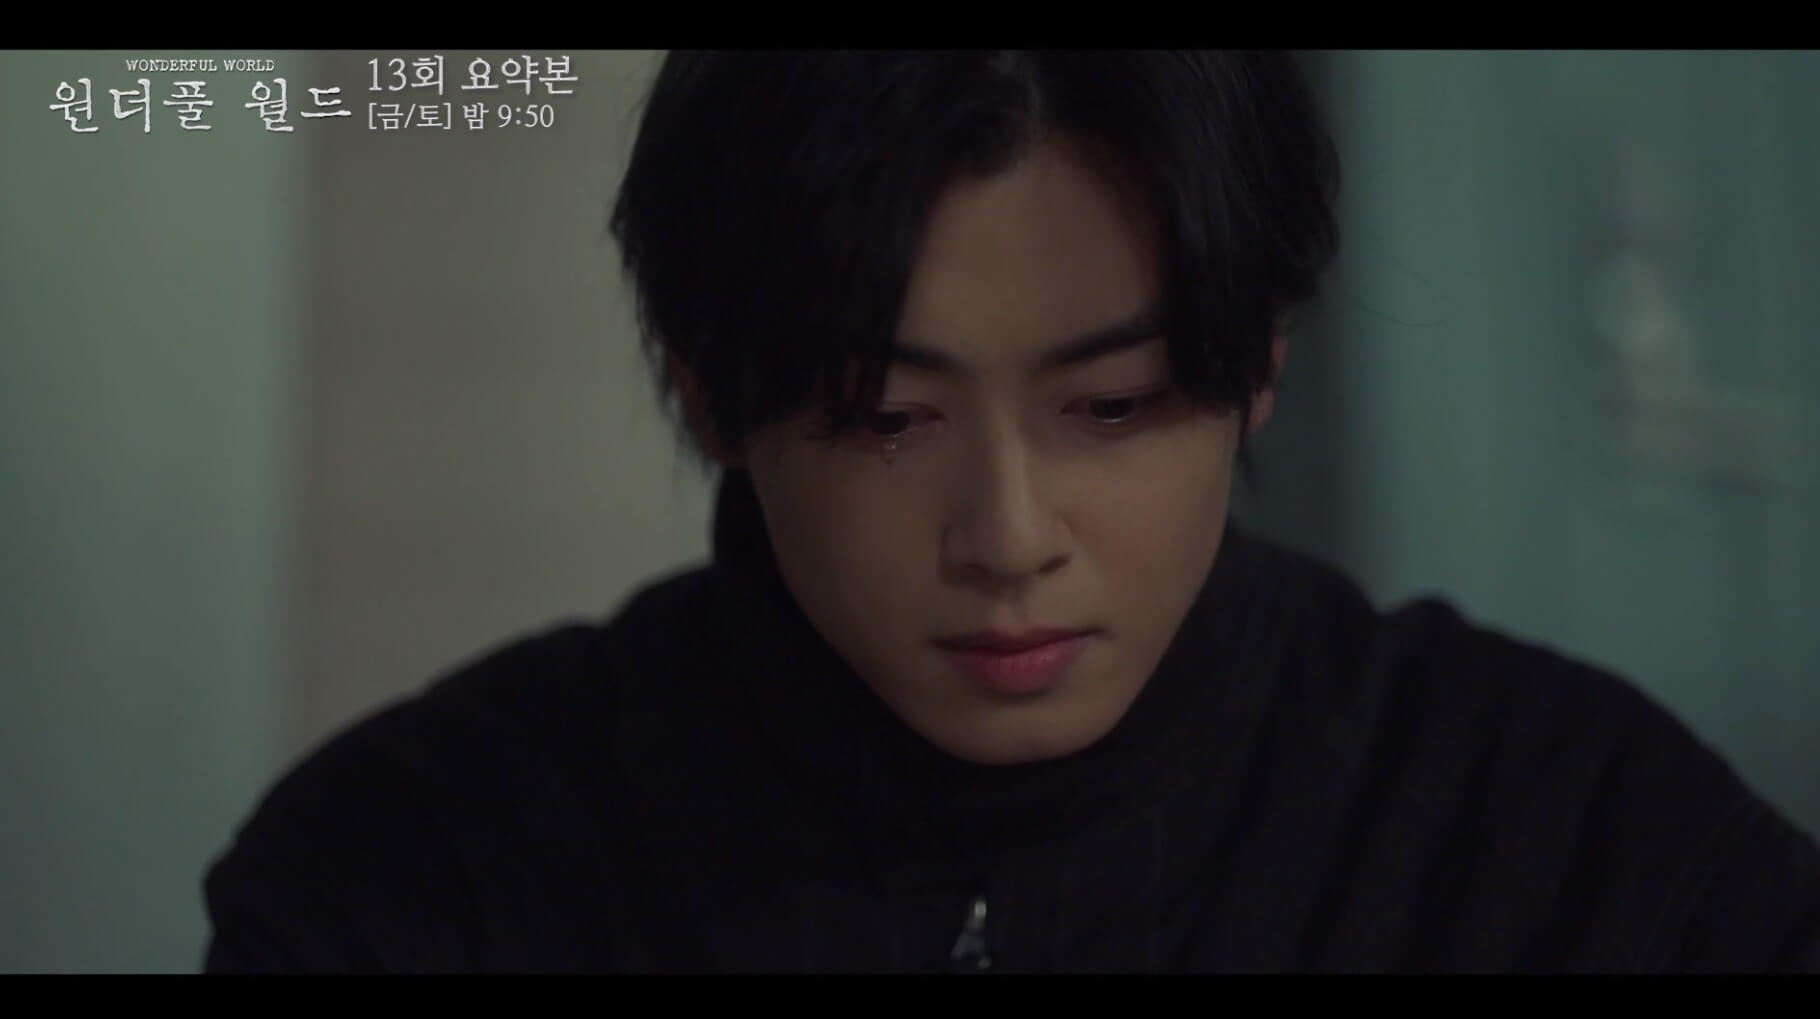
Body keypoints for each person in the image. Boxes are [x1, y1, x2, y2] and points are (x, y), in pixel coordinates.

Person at [200, 50, 1820, 973]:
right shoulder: (423, 873)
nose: (1008, 536)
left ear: (1258, 365)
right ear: (706, 396)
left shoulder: (1573, 847)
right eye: (885, 417)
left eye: (1111, 408)